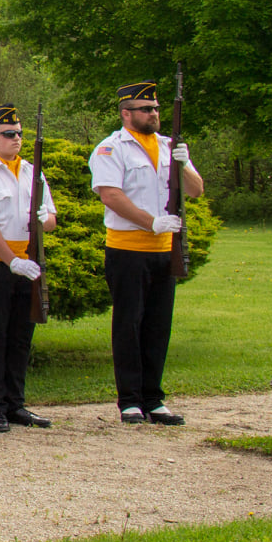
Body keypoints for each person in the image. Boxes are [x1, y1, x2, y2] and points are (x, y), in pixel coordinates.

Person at [90, 80, 204, 425]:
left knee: (158, 324)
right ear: (127, 114)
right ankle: (130, 400)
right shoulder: (112, 149)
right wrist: (151, 222)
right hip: (128, 248)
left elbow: (196, 191)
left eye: (155, 109)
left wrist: (183, 164)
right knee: (129, 323)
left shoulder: (171, 146)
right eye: (146, 109)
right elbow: (111, 195)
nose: (154, 114)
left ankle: (154, 398)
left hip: (163, 249)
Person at [0, 105, 58, 432]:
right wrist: (11, 261)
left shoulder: (34, 172)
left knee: (21, 336)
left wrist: (42, 221)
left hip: (30, 261)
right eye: (8, 134)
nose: (16, 139)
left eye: (18, 133)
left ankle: (16, 403)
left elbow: (52, 219)